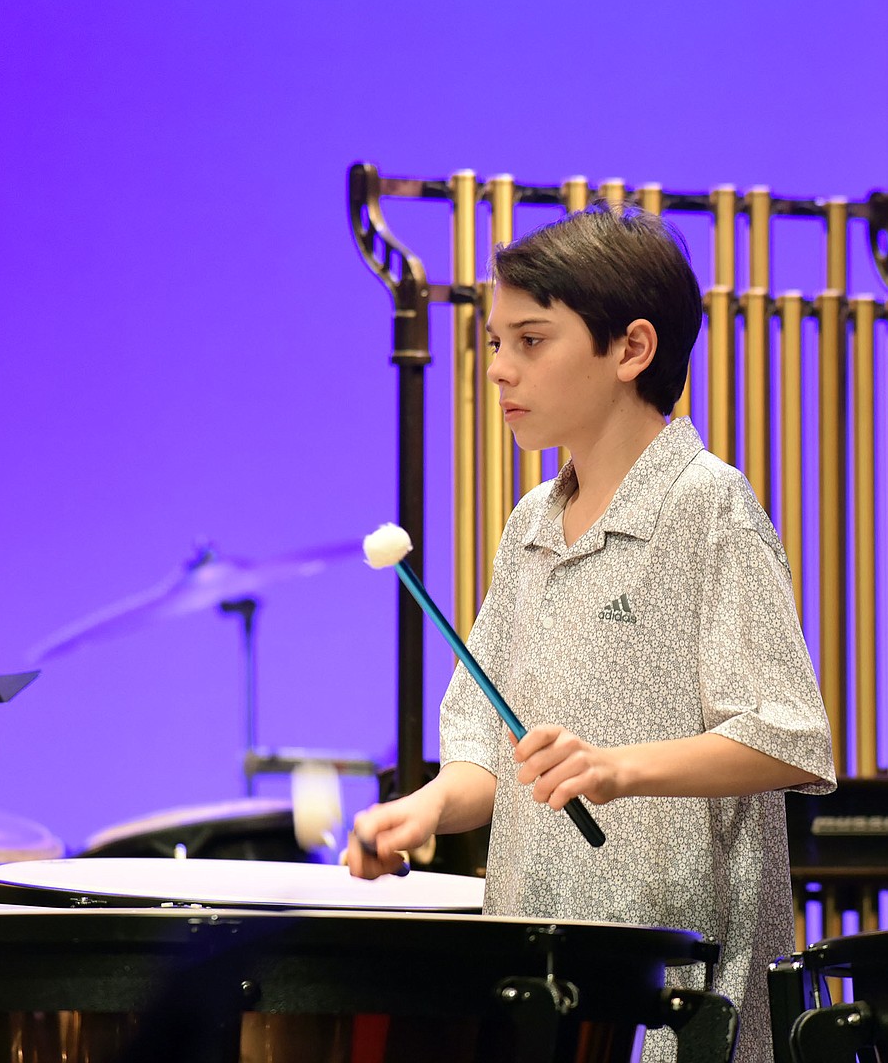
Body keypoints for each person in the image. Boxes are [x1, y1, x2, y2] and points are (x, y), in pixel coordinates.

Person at [347, 203, 836, 1063]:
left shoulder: (708, 506)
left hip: (674, 987)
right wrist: (423, 808)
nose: (499, 370)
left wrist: (618, 768)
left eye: (530, 341)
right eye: (495, 344)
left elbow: (789, 735)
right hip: (544, 976)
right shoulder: (532, 521)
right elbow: (494, 756)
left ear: (632, 350)